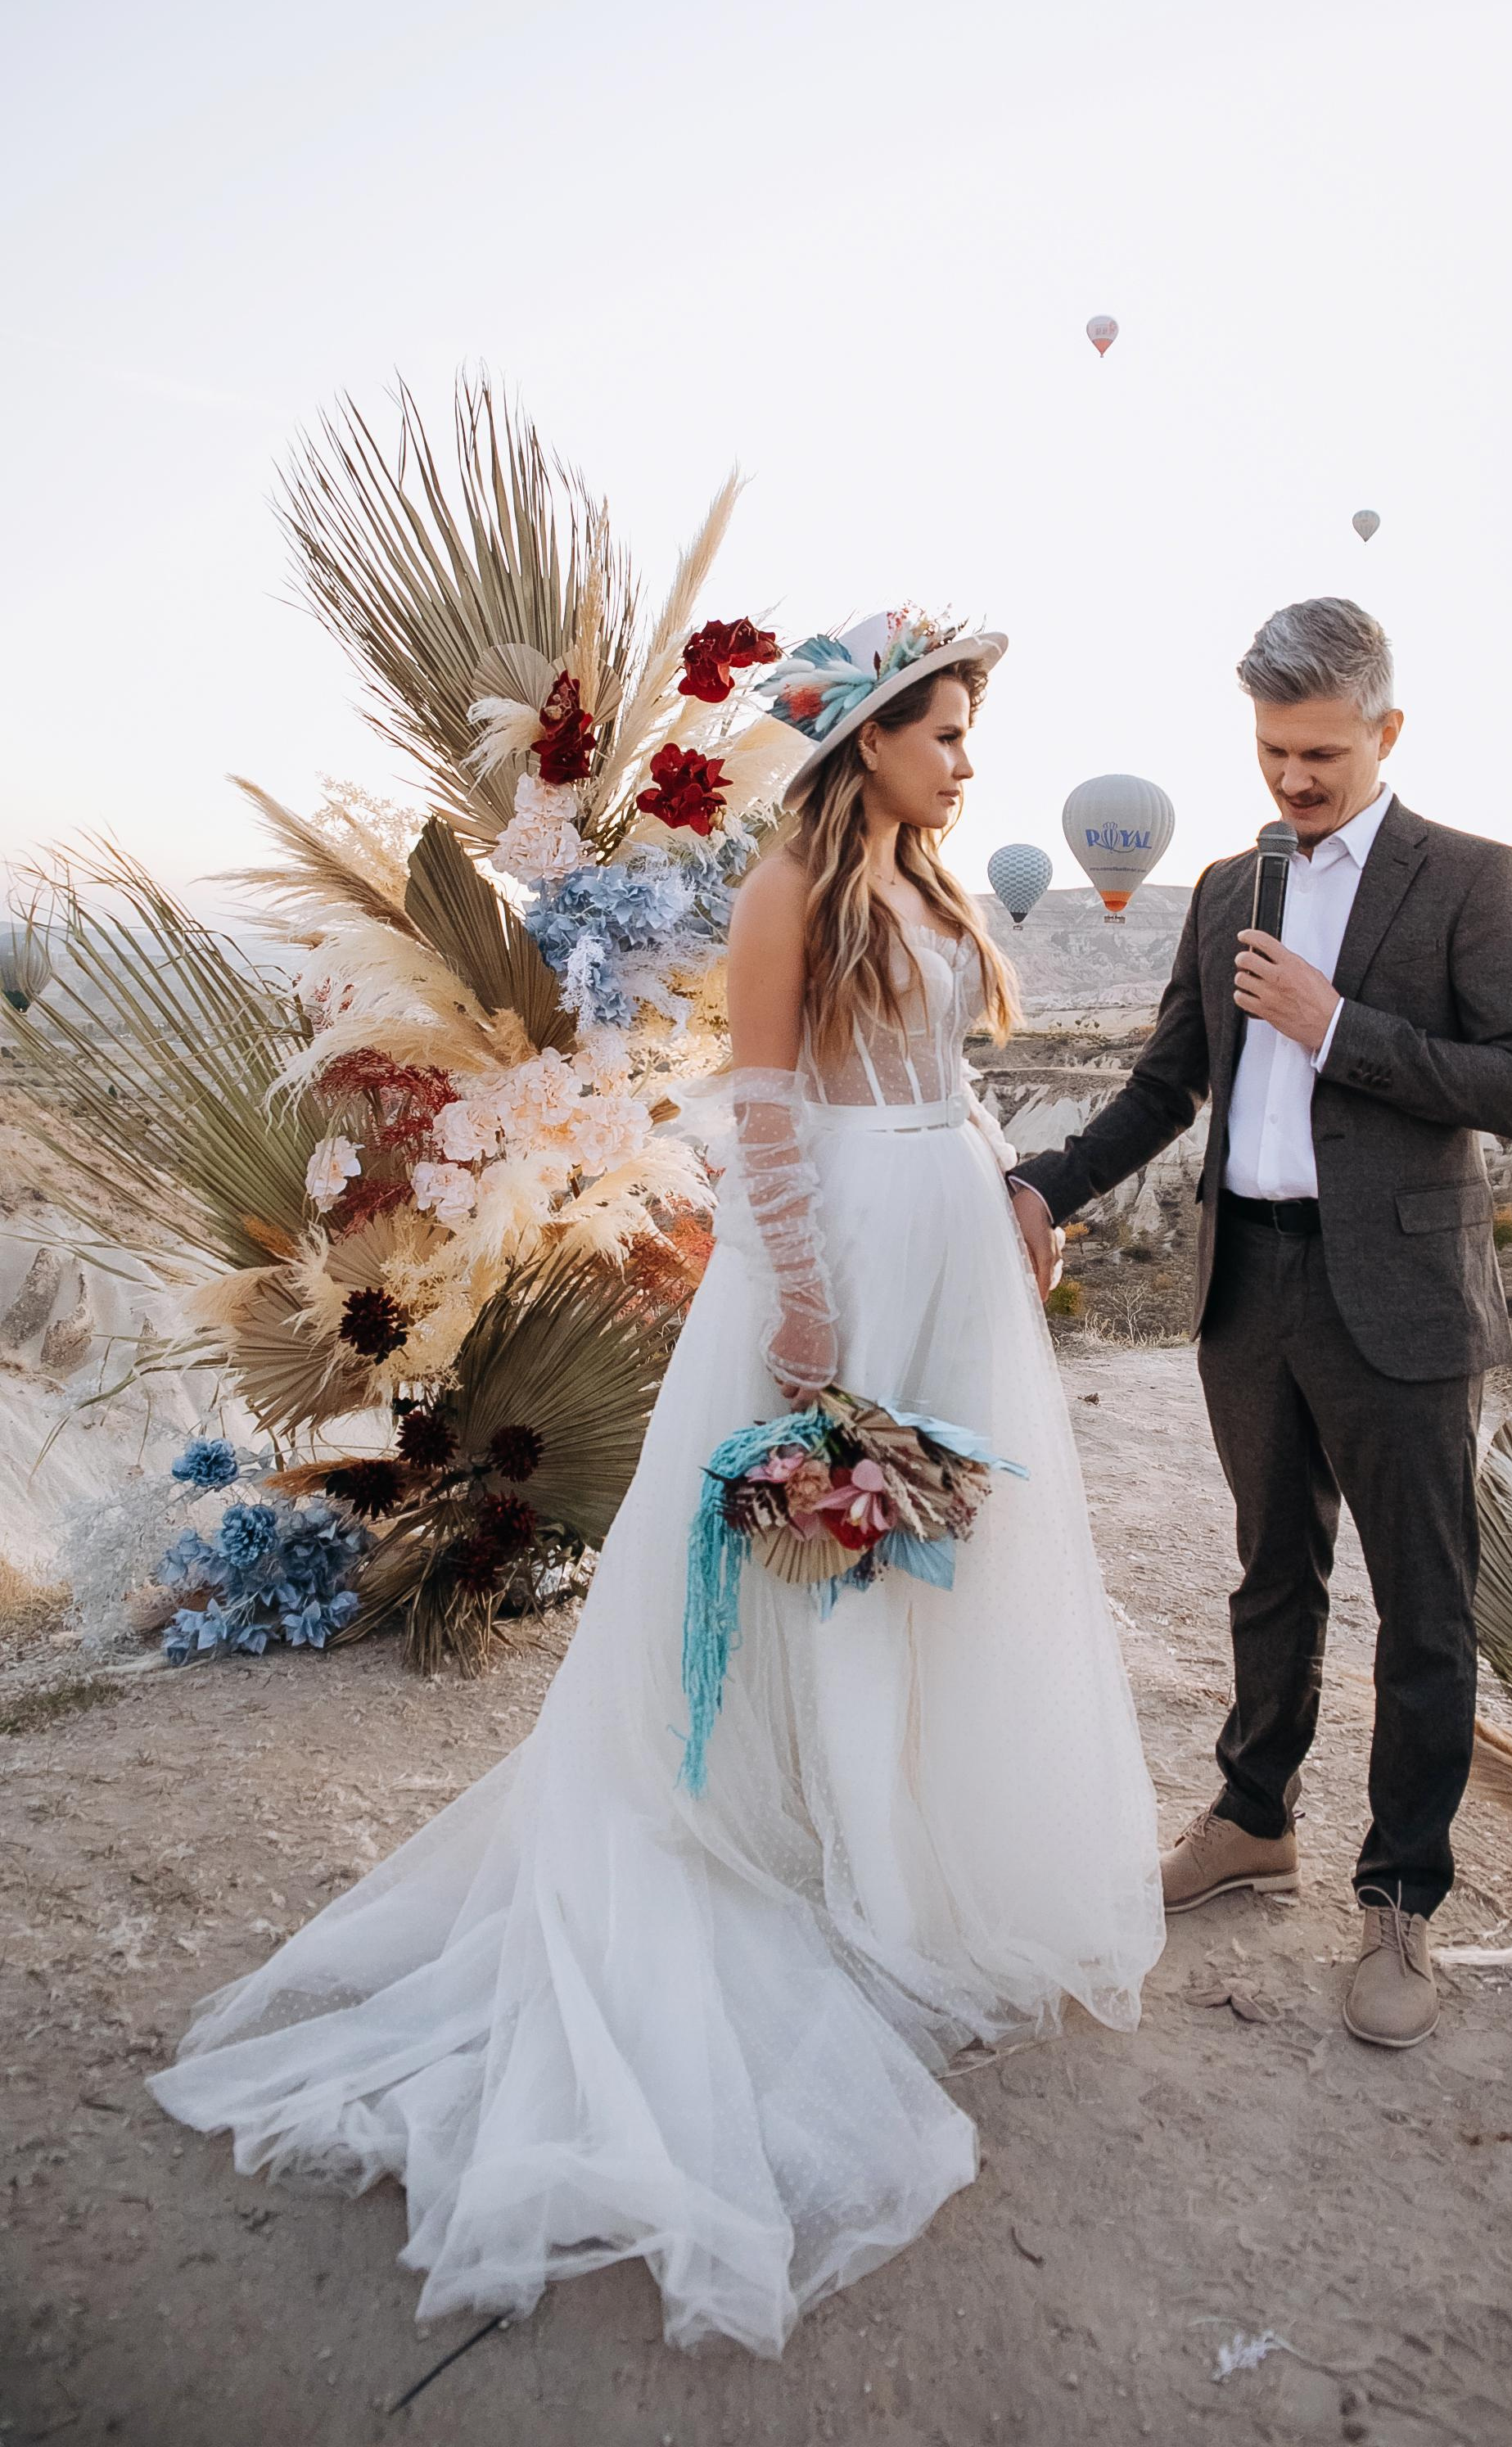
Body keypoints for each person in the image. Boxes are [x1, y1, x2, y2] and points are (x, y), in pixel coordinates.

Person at [146, 606, 1163, 2353]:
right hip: (834, 1253)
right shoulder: (791, 892)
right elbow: (761, 1108)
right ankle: (800, 1849)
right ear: (865, 745)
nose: (967, 761)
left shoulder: (925, 882)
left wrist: (1012, 1203)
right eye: (943, 734)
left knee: (926, 1555)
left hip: (946, 1248)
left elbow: (940, 1082)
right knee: (815, 1568)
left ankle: (895, 1857)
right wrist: (806, 1308)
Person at [1008, 598, 1512, 2048]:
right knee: (1272, 1570)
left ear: (1387, 732)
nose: (1294, 781)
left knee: (1426, 1607)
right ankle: (1254, 1819)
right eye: (1272, 751)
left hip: (1398, 1292)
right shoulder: (1220, 887)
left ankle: (1401, 1902)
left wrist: (1338, 1028)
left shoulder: (1473, 878)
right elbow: (1163, 1085)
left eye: (1321, 753)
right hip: (1248, 1279)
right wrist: (1039, 1186)